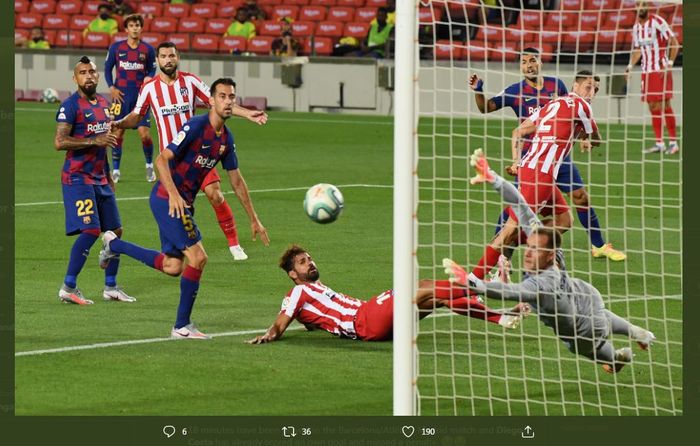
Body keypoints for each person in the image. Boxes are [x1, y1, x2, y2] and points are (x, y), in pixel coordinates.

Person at [443, 149, 656, 373]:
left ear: (549, 256)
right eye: (530, 245)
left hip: (579, 325)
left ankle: (614, 359)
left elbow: (507, 292)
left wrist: (473, 282)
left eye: (534, 250)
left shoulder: (541, 283)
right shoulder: (545, 241)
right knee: (597, 316)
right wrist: (494, 178)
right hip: (585, 294)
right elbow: (520, 205)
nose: (527, 251)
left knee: (585, 346)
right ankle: (635, 331)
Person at [100, 78, 270, 338]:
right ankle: (181, 326)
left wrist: (254, 219)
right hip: (165, 200)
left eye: (231, 97)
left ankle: (113, 245)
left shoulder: (225, 139)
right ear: (211, 101)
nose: (227, 101)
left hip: (183, 204)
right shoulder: (195, 126)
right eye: (222, 96)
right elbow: (161, 160)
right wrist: (174, 195)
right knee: (199, 257)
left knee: (172, 267)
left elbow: (236, 180)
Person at [112, 42, 267, 261]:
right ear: (157, 60)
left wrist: (247, 113)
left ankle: (234, 244)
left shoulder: (190, 81)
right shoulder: (149, 88)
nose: (168, 60)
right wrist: (119, 123)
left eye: (172, 56)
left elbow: (218, 101)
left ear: (178, 58)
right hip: (172, 161)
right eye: (163, 56)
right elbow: (137, 116)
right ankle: (172, 251)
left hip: (199, 153)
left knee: (215, 194)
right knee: (174, 210)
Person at [469, 49, 626, 262]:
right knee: (515, 211)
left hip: (559, 157)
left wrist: (583, 137)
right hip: (531, 160)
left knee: (581, 197)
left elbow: (575, 114)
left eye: (532, 60)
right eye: (524, 62)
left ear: (540, 62)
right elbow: (486, 108)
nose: (528, 65)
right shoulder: (515, 91)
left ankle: (598, 245)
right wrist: (479, 91)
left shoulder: (557, 86)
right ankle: (502, 258)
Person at [465, 70, 604, 293]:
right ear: (575, 87)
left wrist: (517, 161)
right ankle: (474, 279)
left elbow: (520, 130)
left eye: (595, 89)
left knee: (564, 220)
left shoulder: (553, 104)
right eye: (588, 87)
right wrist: (587, 137)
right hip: (540, 173)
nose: (592, 92)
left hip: (537, 170)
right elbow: (596, 139)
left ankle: (529, 242)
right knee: (510, 229)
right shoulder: (583, 107)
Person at [246, 245, 529, 344]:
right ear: (293, 274)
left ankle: (501, 318)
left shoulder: (314, 292)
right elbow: (281, 323)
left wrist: (313, 324)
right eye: (303, 262)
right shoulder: (299, 292)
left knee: (434, 296)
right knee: (418, 287)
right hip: (364, 319)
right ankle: (480, 283)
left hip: (372, 319)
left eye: (310, 258)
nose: (311, 263)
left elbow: (310, 321)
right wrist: (270, 334)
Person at [54, 56, 136, 306]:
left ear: (98, 76)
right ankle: (68, 287)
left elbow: (106, 145)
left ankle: (110, 287)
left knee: (115, 231)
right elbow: (59, 142)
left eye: (92, 72)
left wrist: (109, 177)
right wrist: (93, 141)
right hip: (77, 178)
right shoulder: (70, 106)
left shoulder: (104, 103)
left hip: (100, 177)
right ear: (75, 78)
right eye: (83, 72)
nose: (88, 76)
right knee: (91, 229)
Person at [104, 13, 156, 183]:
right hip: (120, 98)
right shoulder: (116, 48)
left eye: (137, 25)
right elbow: (107, 68)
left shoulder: (148, 49)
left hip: (141, 98)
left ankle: (149, 167)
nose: (135, 28)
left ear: (141, 28)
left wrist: (149, 77)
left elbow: (152, 69)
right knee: (117, 133)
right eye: (131, 25)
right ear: (126, 29)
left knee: (145, 135)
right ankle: (116, 170)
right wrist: (111, 87)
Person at [625, 0, 680, 155]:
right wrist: (629, 66)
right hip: (646, 72)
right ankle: (660, 143)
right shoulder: (636, 28)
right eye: (638, 5)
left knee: (664, 104)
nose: (641, 7)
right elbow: (638, 50)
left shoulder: (657, 22)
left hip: (660, 69)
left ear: (647, 7)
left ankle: (674, 143)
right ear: (635, 8)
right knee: (652, 106)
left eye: (644, 4)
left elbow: (674, 43)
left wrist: (669, 63)